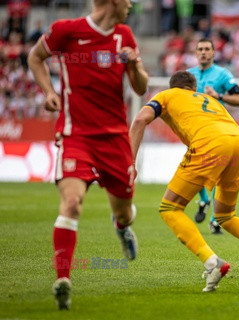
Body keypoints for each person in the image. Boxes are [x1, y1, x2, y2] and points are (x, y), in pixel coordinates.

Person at [27, 0, 148, 310]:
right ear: (113, 2)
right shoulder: (66, 32)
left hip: (115, 140)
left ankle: (121, 227)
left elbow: (140, 87)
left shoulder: (124, 36)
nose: (131, 4)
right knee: (71, 203)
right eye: (127, 0)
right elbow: (35, 57)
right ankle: (63, 279)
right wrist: (49, 93)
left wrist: (133, 64)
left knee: (123, 211)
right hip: (76, 135)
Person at [129, 71, 239, 292]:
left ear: (174, 86)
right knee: (225, 216)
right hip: (235, 145)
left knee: (170, 208)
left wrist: (130, 163)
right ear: (194, 89)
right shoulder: (211, 101)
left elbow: (139, 120)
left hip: (209, 144)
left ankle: (212, 262)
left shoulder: (166, 95)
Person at [187, 38, 239, 234]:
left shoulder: (223, 75)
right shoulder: (188, 75)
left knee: (218, 174)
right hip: (194, 130)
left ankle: (214, 219)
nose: (203, 52)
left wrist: (219, 96)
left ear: (213, 53)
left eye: (207, 49)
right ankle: (204, 199)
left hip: (217, 131)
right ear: (196, 53)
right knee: (196, 171)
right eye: (200, 49)